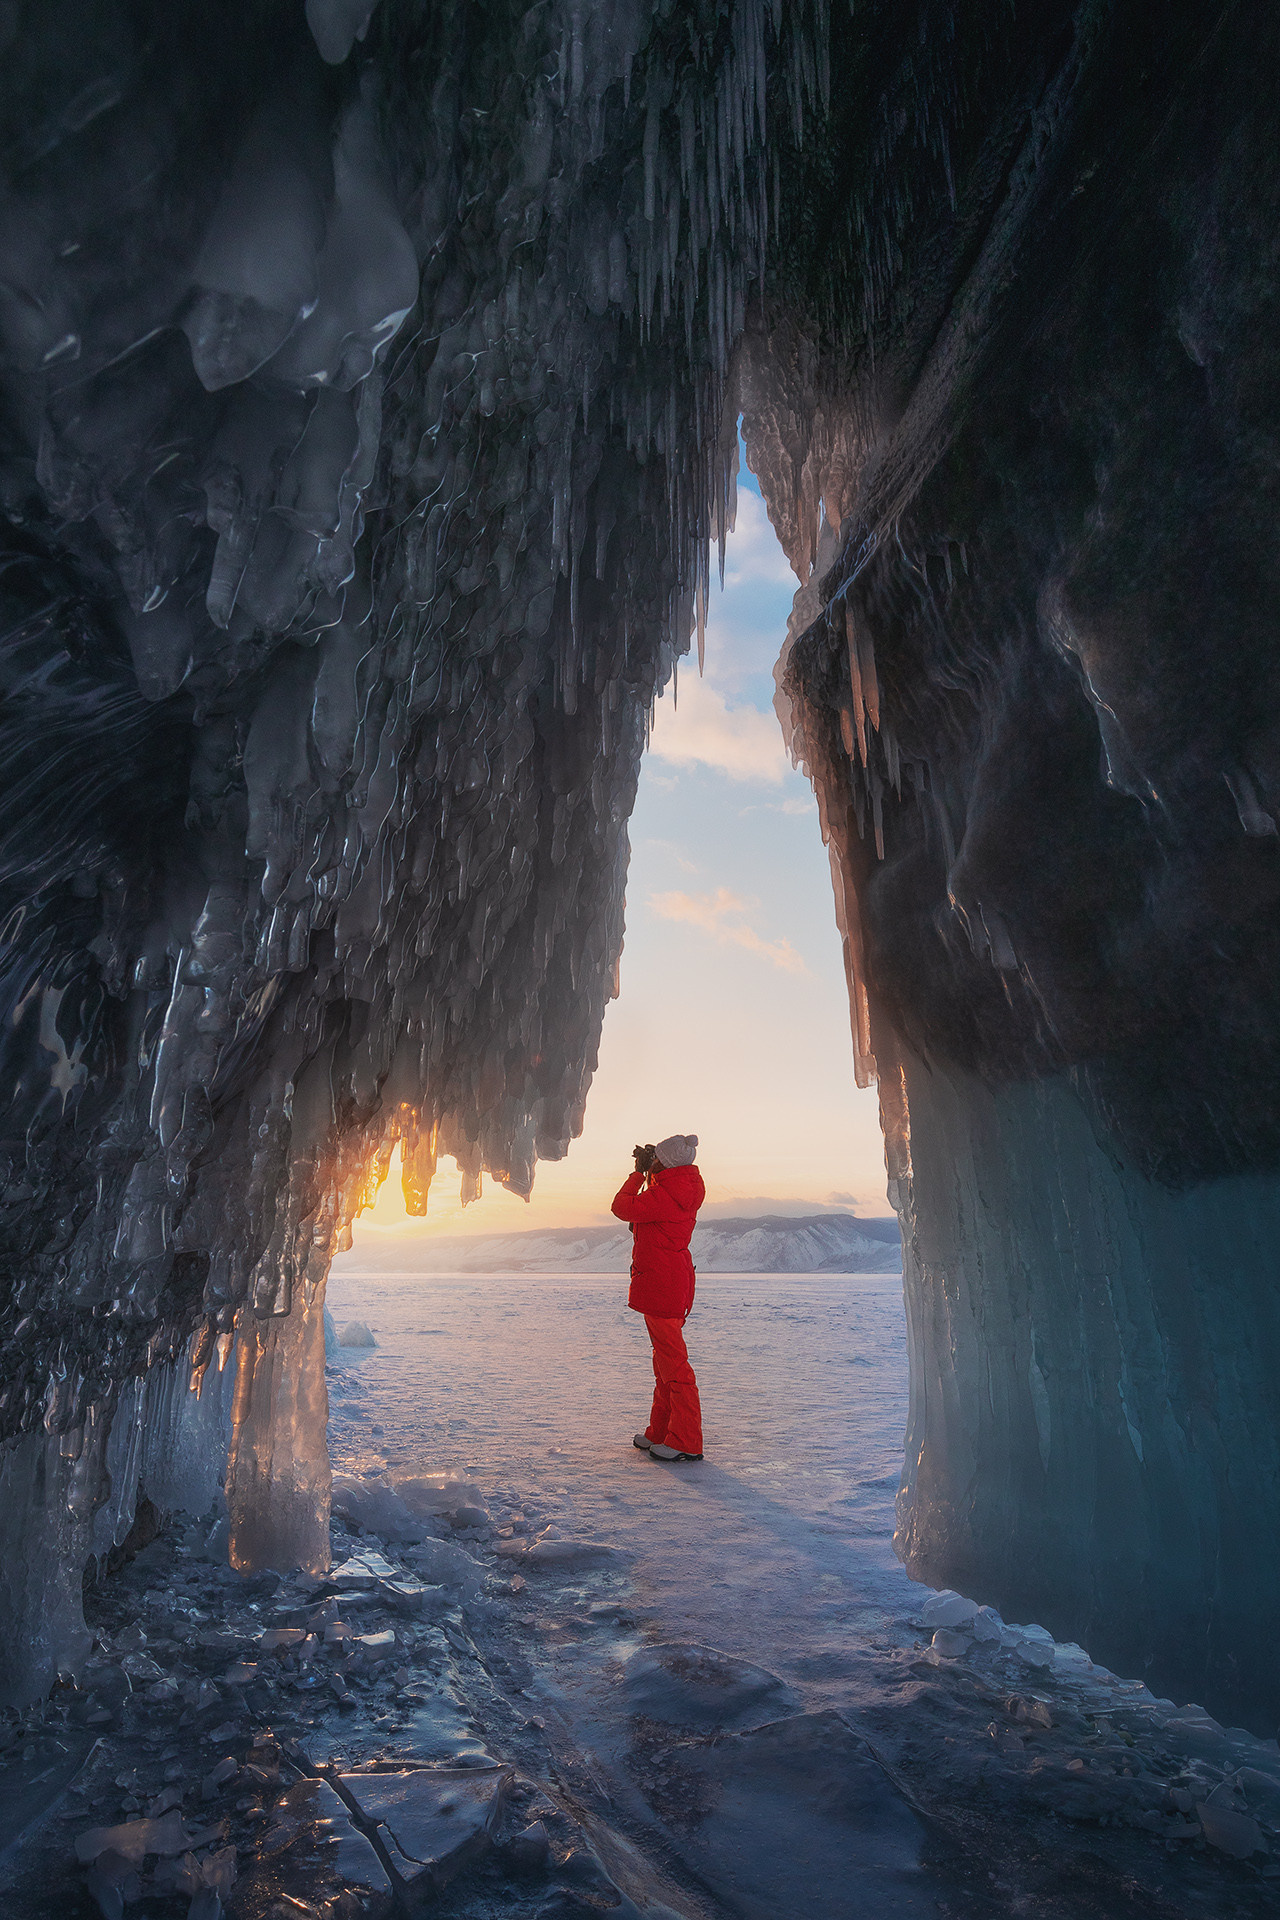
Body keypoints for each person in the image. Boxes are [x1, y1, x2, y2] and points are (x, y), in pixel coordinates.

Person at [611, 1133, 705, 1462]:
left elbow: (621, 1207)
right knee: (665, 1364)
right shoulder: (677, 1191)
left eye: (658, 1159)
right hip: (670, 1283)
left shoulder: (665, 1196)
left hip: (663, 1285)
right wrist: (653, 1172)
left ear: (667, 1163)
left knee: (674, 1367)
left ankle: (686, 1440)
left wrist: (639, 1172)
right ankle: (662, 1433)